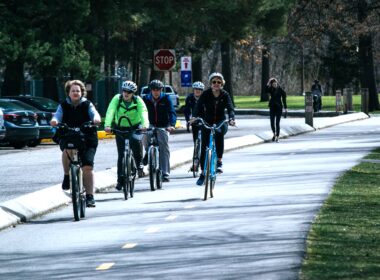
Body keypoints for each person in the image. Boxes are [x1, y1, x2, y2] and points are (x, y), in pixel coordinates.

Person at [50, 80, 101, 207]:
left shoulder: (87, 104)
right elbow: (57, 116)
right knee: (67, 149)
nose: (75, 93)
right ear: (68, 92)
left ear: (82, 92)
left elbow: (94, 114)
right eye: (73, 90)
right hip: (69, 135)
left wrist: (96, 119)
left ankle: (90, 196)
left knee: (87, 167)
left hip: (87, 137)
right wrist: (55, 121)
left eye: (78, 90)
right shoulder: (63, 105)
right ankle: (67, 175)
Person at [104, 80, 149, 191]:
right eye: (124, 91)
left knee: (134, 140)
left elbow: (144, 112)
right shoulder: (117, 99)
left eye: (129, 92)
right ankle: (120, 181)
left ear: (133, 93)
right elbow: (110, 111)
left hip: (134, 127)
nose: (126, 93)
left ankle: (139, 165)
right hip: (120, 128)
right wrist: (107, 125)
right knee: (121, 155)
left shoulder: (138, 100)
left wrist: (145, 125)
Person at [192, 72, 235, 186]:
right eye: (214, 82)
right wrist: (194, 117)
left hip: (221, 122)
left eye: (219, 82)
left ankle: (219, 161)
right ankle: (202, 173)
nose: (216, 84)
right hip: (208, 121)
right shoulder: (206, 94)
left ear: (222, 84)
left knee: (219, 134)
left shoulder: (225, 95)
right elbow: (198, 106)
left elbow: (230, 108)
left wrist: (231, 118)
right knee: (204, 146)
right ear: (211, 83)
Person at [142, 79, 177, 182]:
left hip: (164, 125)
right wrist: (142, 124)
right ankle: (148, 152)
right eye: (154, 89)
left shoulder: (166, 98)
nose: (156, 92)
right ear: (151, 90)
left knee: (164, 147)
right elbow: (141, 112)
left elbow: (172, 112)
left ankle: (165, 173)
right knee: (144, 136)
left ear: (161, 90)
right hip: (149, 124)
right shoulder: (145, 99)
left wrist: (172, 124)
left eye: (158, 89)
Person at [266, 77, 287, 142]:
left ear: (277, 84)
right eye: (273, 84)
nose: (275, 85)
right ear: (271, 84)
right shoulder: (270, 89)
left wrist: (285, 107)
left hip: (279, 107)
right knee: (272, 122)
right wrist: (268, 82)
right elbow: (265, 90)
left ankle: (277, 136)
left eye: (276, 84)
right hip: (272, 107)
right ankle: (274, 134)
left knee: (277, 123)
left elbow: (284, 98)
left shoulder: (280, 89)